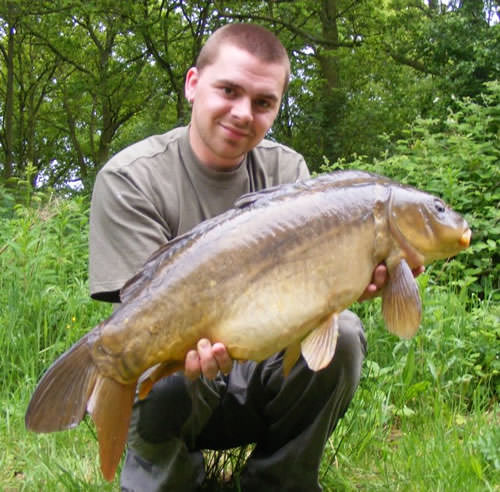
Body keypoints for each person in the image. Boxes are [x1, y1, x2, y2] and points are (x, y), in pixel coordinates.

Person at [89, 23, 413, 492]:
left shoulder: (290, 174)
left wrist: (349, 281)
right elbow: (137, 315)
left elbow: (310, 307)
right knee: (145, 363)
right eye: (228, 91)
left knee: (342, 335)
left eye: (263, 103)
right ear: (193, 84)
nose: (243, 113)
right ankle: (173, 479)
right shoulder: (131, 179)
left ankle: (277, 481)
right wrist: (174, 353)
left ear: (277, 108)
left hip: (257, 374)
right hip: (178, 378)